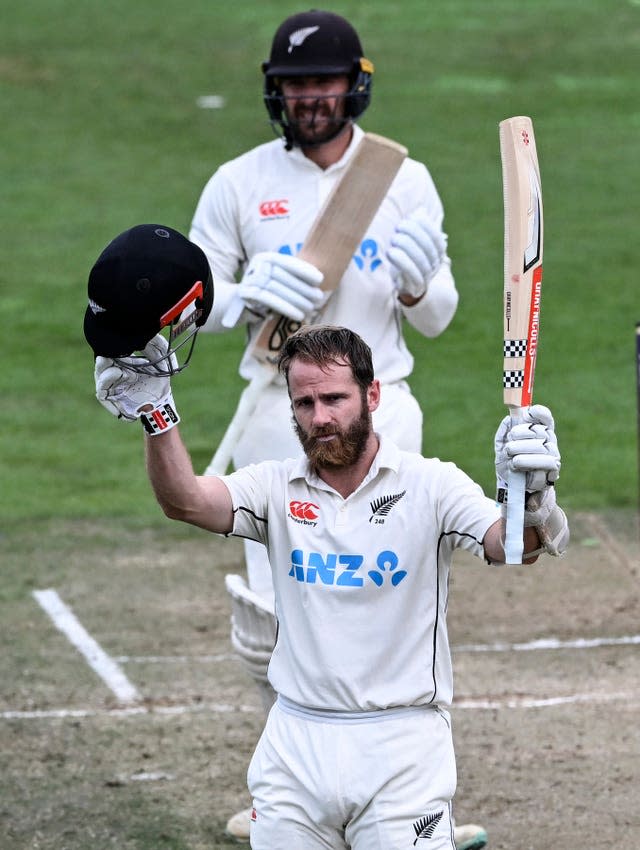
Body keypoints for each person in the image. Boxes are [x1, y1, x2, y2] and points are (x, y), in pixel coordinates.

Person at [91, 318, 569, 850]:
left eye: (335, 400)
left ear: (373, 394)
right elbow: (185, 501)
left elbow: (514, 548)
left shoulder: (431, 484)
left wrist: (530, 502)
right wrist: (158, 417)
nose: (320, 418)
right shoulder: (273, 486)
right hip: (295, 744)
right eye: (304, 404)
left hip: (402, 747)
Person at [188, 11, 486, 846]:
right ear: (273, 92)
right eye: (292, 85)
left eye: (320, 82)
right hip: (279, 414)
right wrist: (243, 298)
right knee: (267, 612)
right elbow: (198, 294)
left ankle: (419, 801)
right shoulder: (240, 181)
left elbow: (439, 318)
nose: (308, 98)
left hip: (382, 411)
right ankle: (282, 789)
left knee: (398, 596)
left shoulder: (401, 177)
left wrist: (423, 286)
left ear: (353, 82)